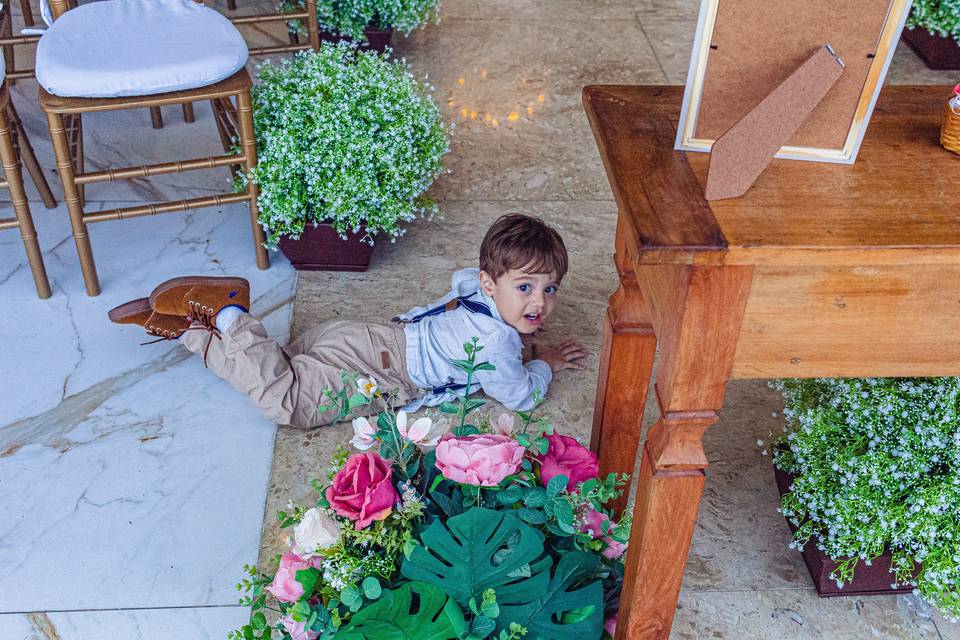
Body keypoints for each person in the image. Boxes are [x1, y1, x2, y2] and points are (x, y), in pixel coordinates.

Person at [108, 213, 587, 428]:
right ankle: (229, 311)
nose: (539, 303)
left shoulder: (472, 287)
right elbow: (521, 398)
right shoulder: (499, 346)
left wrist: (514, 305)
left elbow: (471, 285)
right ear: (491, 283)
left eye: (550, 289)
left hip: (366, 336)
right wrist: (541, 361)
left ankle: (188, 326)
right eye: (524, 288)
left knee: (269, 369)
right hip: (379, 371)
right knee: (288, 403)